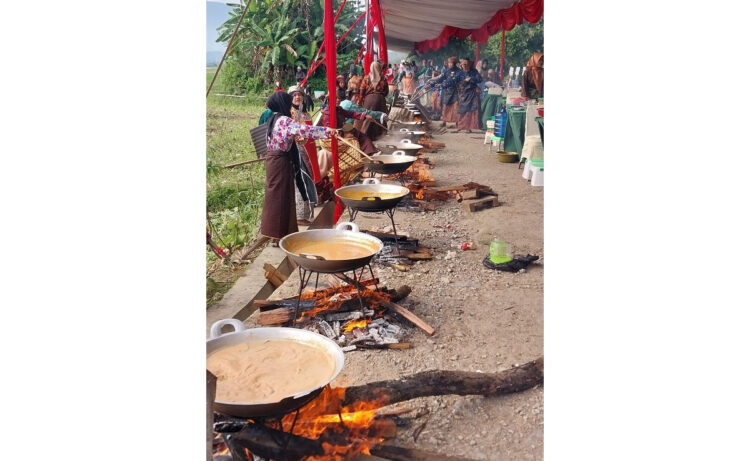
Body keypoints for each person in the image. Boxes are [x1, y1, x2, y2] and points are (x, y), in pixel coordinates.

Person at [259, 92, 334, 242]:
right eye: (288, 101)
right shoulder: (284, 120)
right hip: (280, 162)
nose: (290, 104)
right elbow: (304, 130)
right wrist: (327, 132)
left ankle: (281, 233)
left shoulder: (274, 118)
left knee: (282, 196)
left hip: (275, 161)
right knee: (280, 197)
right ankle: (276, 234)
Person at [287, 86, 317, 224]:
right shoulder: (290, 113)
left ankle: (306, 213)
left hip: (309, 150)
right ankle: (300, 215)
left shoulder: (305, 113)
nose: (297, 97)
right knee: (301, 180)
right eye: (294, 95)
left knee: (308, 178)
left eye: (299, 95)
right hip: (297, 150)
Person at [446, 57, 482, 133]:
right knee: (461, 110)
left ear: (469, 64)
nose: (464, 66)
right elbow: (453, 80)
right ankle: (460, 127)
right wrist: (443, 84)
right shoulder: (460, 73)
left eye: (466, 64)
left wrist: (470, 79)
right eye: (463, 64)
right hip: (463, 93)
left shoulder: (474, 71)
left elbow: (479, 79)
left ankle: (468, 127)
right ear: (461, 65)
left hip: (472, 93)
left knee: (470, 110)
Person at [355, 60, 389, 140]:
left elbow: (362, 91)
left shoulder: (366, 78)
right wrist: (380, 95)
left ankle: (366, 138)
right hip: (380, 100)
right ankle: (382, 138)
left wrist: (359, 102)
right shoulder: (383, 78)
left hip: (369, 100)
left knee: (368, 118)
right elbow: (386, 92)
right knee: (381, 118)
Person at [428, 56, 460, 124]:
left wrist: (442, 85)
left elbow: (452, 81)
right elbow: (441, 78)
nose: (449, 64)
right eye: (449, 63)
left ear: (454, 64)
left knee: (455, 107)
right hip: (446, 91)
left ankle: (457, 122)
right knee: (445, 106)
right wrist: (432, 84)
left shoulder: (459, 71)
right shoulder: (447, 71)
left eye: (451, 63)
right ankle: (444, 121)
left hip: (455, 91)